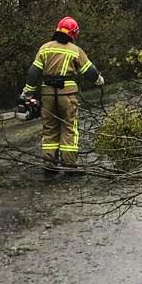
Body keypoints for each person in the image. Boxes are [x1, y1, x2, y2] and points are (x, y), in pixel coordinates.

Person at [21, 16, 104, 177]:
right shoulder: (75, 50)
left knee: (50, 129)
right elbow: (91, 73)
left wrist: (27, 92)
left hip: (47, 95)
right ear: (74, 33)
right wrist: (99, 80)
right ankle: (70, 166)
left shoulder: (45, 48)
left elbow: (33, 72)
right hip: (68, 95)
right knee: (68, 127)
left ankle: (50, 166)